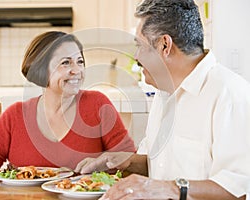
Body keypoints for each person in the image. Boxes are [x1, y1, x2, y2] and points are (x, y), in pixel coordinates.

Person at [75, 0, 250, 199]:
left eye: (139, 46)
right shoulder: (164, 93)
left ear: (165, 45)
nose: (136, 56)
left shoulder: (230, 94)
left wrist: (171, 189)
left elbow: (240, 190)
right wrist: (124, 161)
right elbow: (157, 166)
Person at [0, 31, 136, 181]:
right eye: (66, 63)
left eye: (80, 62)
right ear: (41, 70)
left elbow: (128, 159)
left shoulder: (98, 104)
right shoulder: (15, 115)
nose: (77, 71)